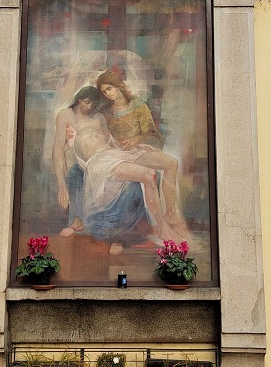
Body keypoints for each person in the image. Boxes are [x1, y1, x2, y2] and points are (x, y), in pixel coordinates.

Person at [52, 86, 183, 254]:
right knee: (148, 175)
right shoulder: (65, 115)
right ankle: (162, 229)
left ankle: (163, 226)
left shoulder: (98, 117)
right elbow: (57, 151)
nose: (90, 106)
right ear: (79, 99)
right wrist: (62, 186)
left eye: (94, 103)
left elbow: (112, 140)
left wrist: (135, 145)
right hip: (98, 163)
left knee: (154, 172)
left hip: (112, 154)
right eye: (87, 102)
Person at [95, 71, 186, 229]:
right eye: (104, 91)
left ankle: (170, 212)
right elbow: (102, 135)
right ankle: (164, 221)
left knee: (172, 163)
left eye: (109, 88)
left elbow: (151, 133)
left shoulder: (139, 106)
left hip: (137, 150)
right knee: (159, 168)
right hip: (118, 154)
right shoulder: (105, 112)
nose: (108, 94)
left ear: (118, 86)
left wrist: (137, 140)